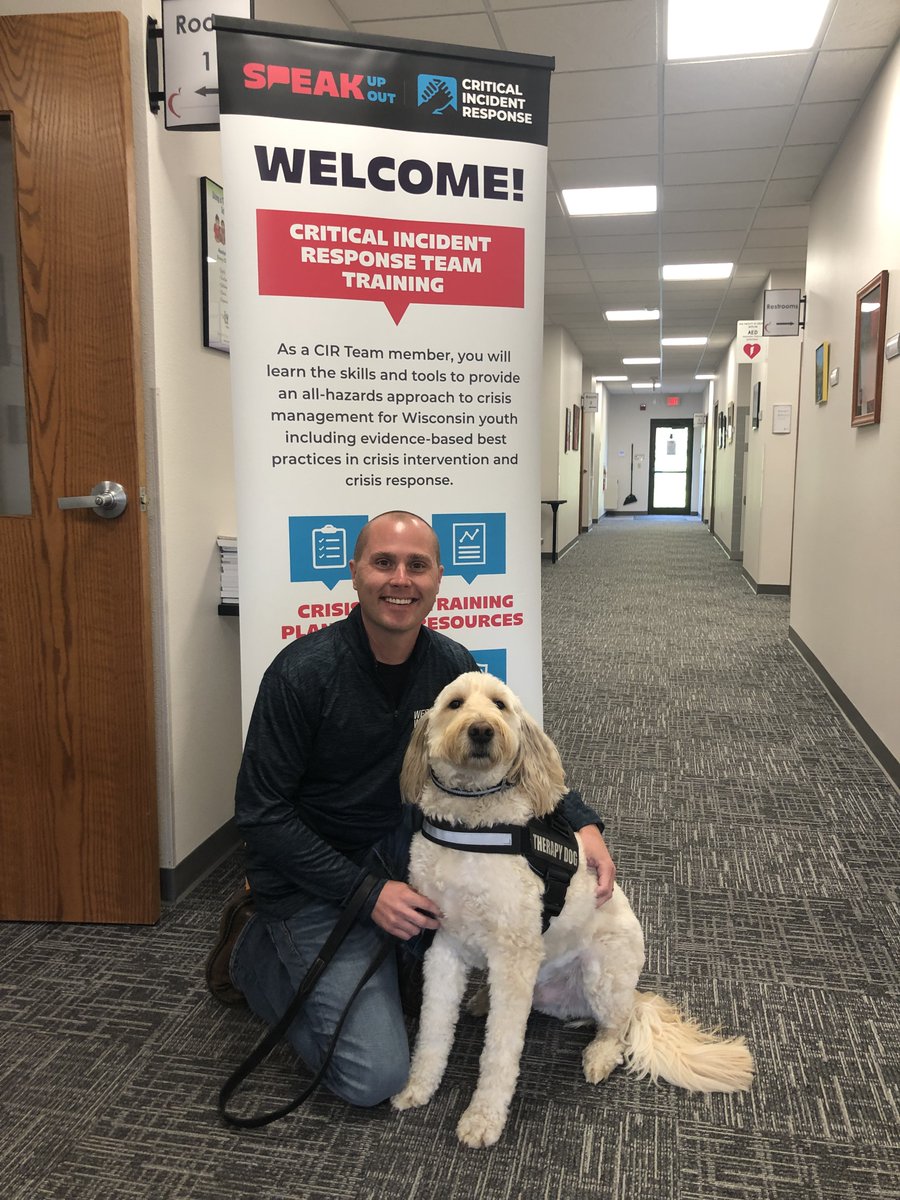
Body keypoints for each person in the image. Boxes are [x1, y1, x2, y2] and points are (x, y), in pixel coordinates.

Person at [208, 510, 616, 1107]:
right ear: (354, 572)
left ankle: (371, 961)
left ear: (437, 579)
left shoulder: (451, 666)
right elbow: (260, 814)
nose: (400, 579)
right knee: (374, 1076)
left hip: (409, 860)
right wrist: (366, 893)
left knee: (431, 985)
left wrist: (583, 823)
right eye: (384, 563)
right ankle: (253, 957)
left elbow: (513, 750)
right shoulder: (301, 674)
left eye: (417, 565)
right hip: (314, 881)